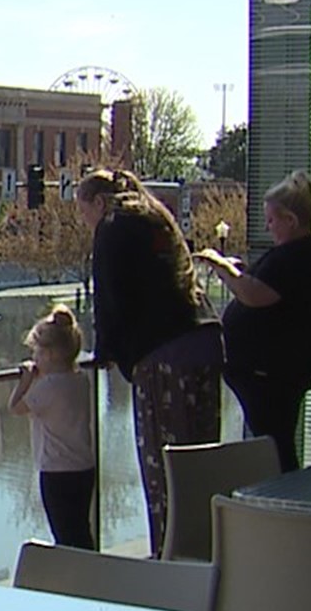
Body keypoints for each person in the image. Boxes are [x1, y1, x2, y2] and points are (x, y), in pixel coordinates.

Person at [78, 167, 222, 556]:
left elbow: (109, 298)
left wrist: (106, 351)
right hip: (203, 340)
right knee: (201, 461)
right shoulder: (154, 213)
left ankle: (170, 559)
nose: (85, 222)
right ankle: (207, 551)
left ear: (97, 202)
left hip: (163, 356)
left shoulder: (112, 225)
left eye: (83, 212)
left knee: (165, 467)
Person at [194, 170, 311, 473]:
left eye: (272, 220)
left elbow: (254, 293)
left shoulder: (299, 257)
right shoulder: (301, 255)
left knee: (274, 444)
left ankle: (281, 504)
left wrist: (221, 267)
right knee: (273, 440)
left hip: (272, 370)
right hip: (268, 368)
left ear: (291, 220)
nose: (268, 226)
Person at [10, 303, 97, 550]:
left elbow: (15, 407)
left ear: (49, 355)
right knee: (80, 530)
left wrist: (26, 380)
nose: (34, 358)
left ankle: (74, 581)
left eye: (36, 352)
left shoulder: (47, 389)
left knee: (64, 534)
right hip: (83, 467)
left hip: (56, 472)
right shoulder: (79, 380)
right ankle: (93, 575)